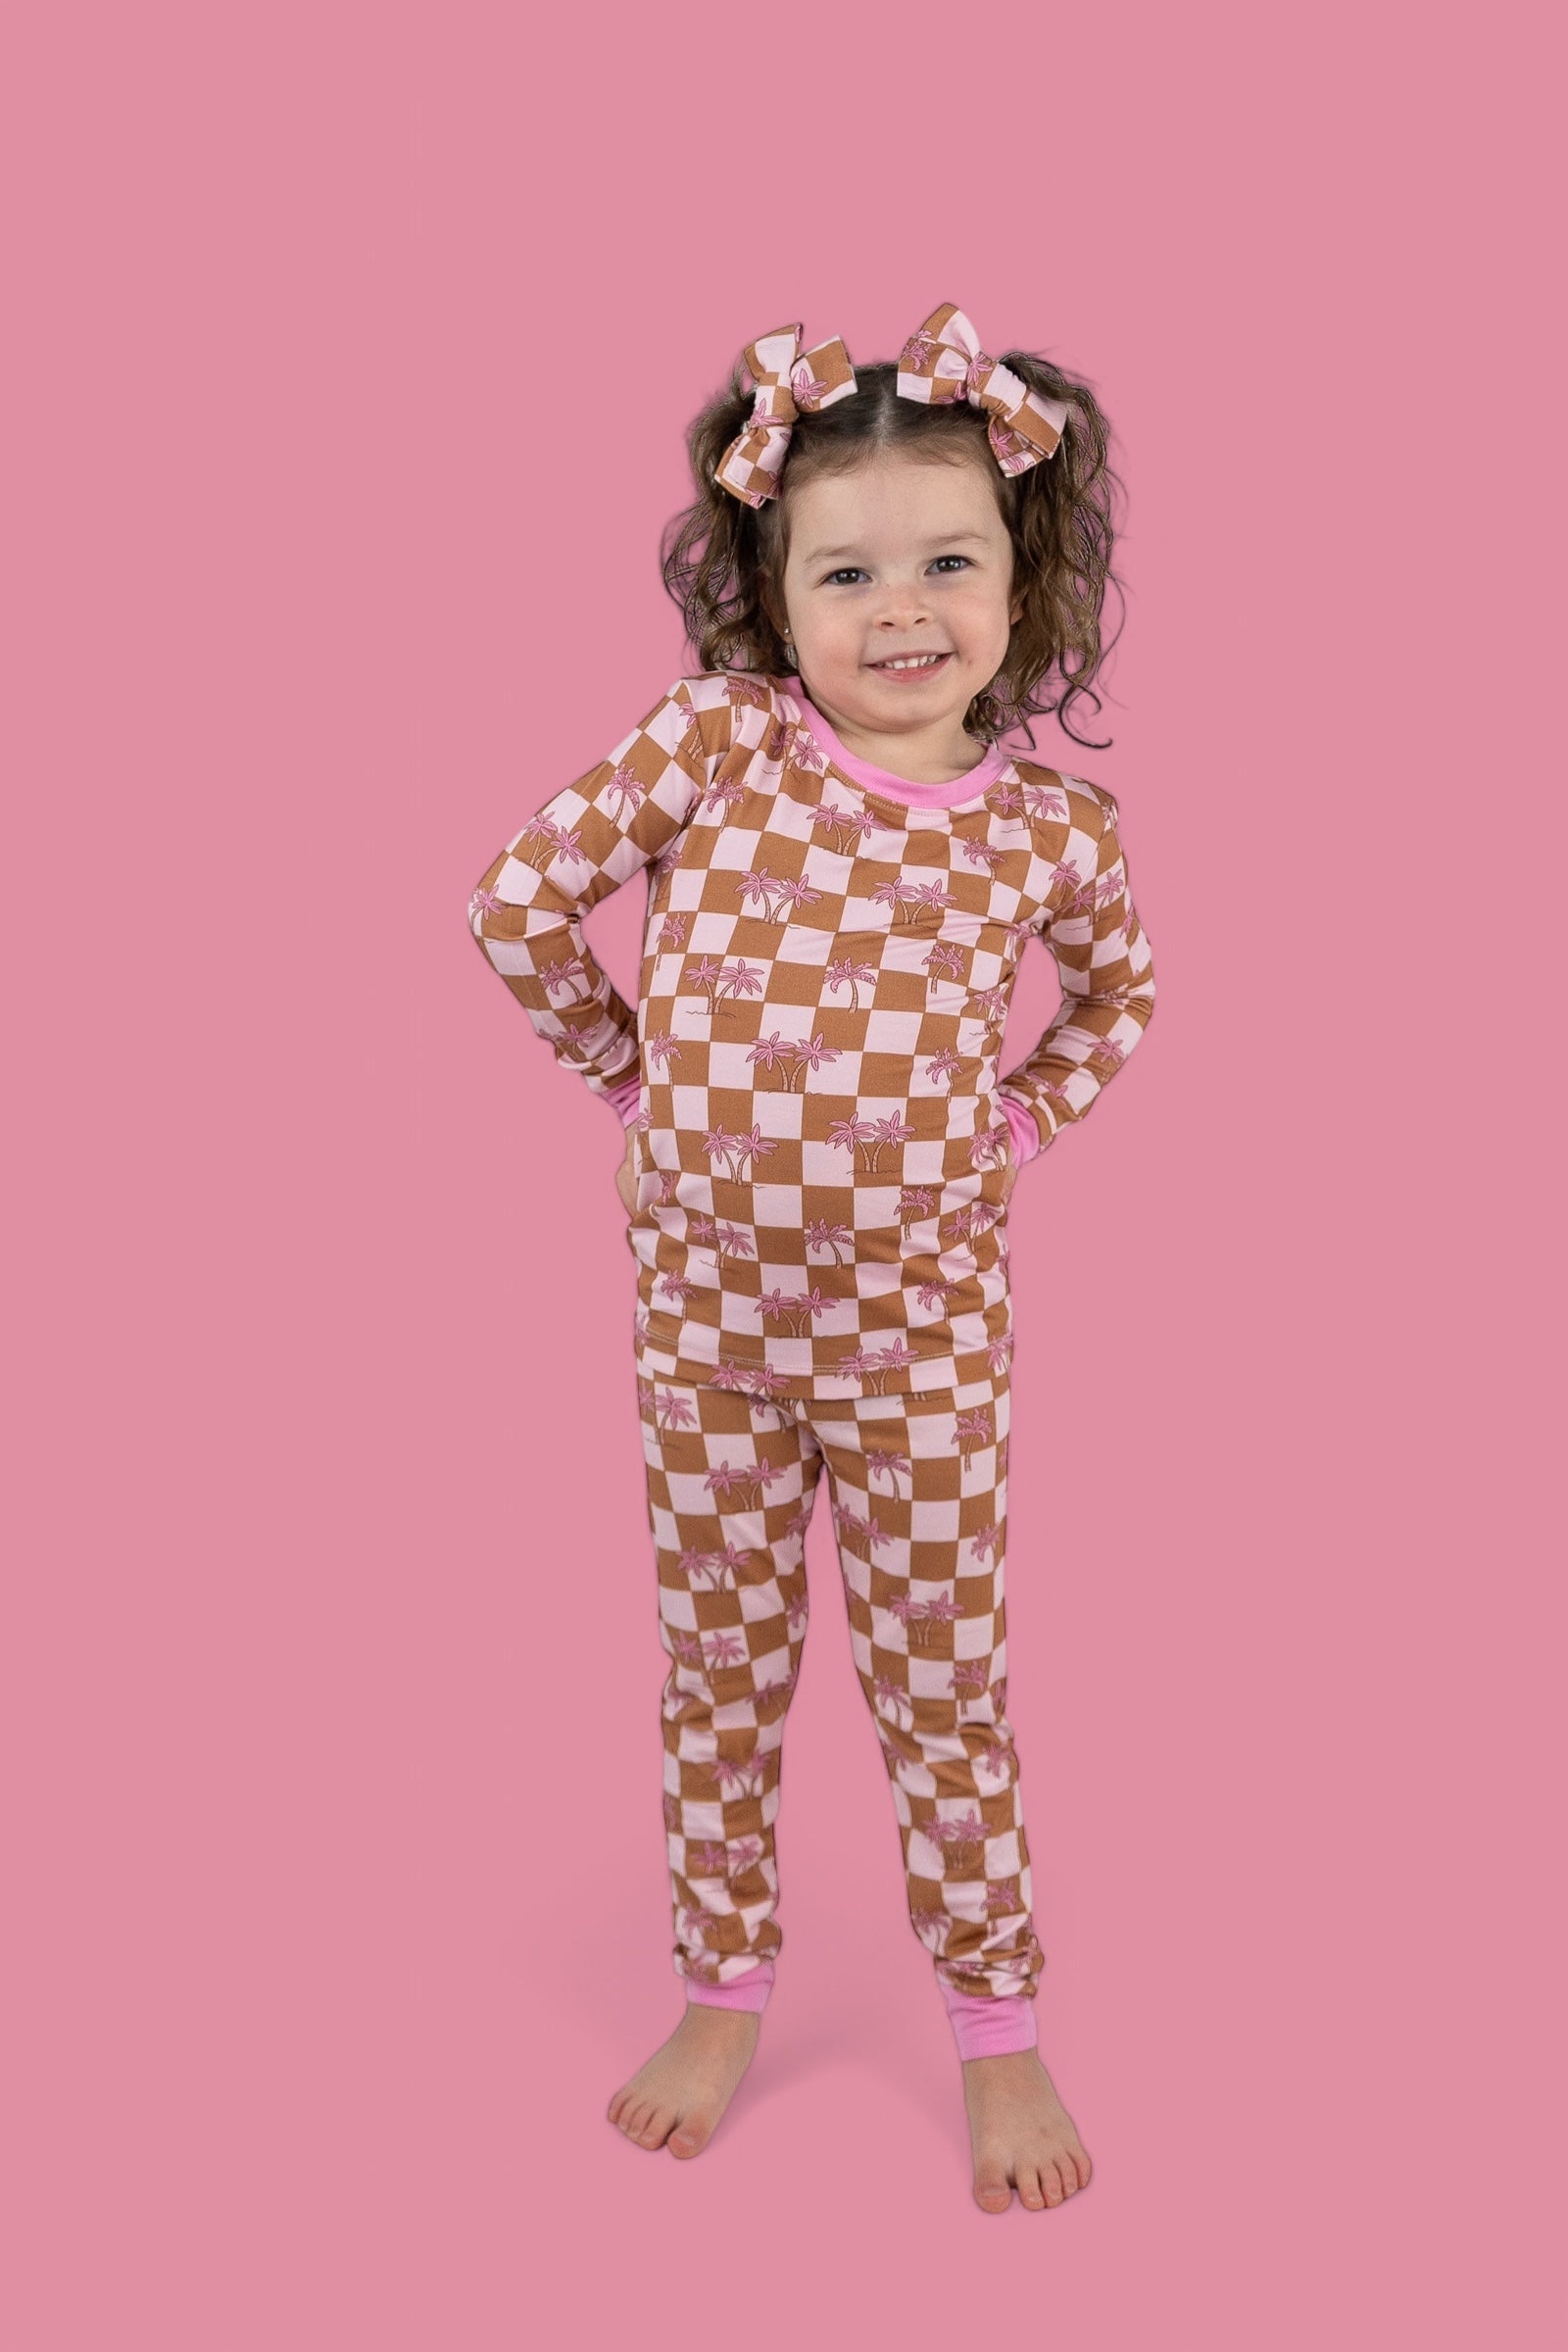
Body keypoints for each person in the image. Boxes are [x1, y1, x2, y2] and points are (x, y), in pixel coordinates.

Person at [466, 303, 1156, 2214]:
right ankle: (721, 1993)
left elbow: (1118, 1003)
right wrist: (634, 1079)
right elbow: (516, 903)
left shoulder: (1045, 836)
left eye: (946, 561)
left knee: (944, 1686)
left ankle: (996, 2029)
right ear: (773, 597)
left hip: (921, 1349)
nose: (899, 609)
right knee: (719, 1674)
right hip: (705, 1338)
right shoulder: (713, 744)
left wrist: (1014, 1125)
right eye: (843, 573)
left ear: (1023, 575)